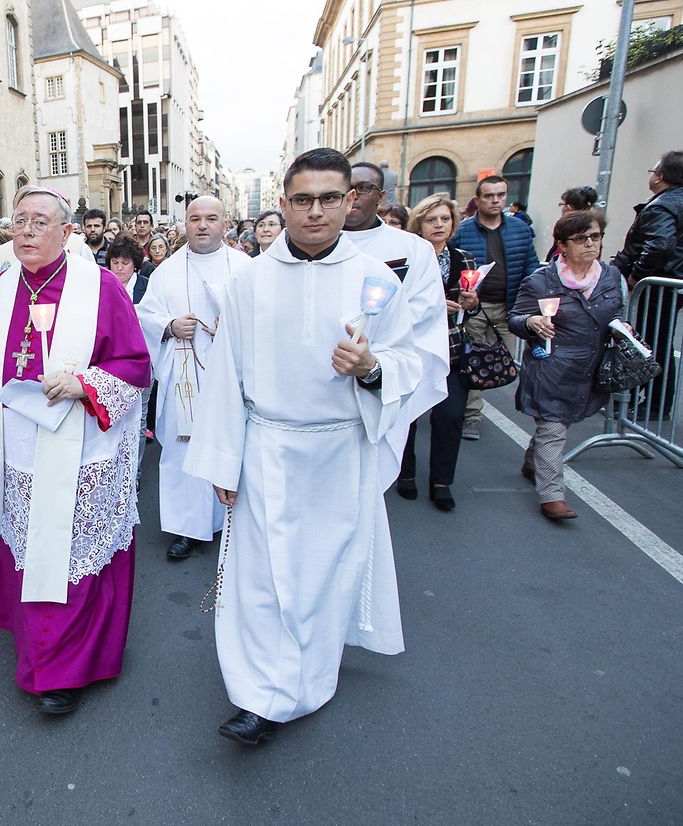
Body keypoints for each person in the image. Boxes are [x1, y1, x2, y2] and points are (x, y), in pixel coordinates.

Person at [184, 147, 421, 746]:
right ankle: (259, 695)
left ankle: (307, 682)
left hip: (340, 451)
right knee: (260, 579)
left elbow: (414, 361)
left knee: (321, 575)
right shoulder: (250, 279)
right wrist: (220, 459)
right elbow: (225, 375)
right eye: (302, 200)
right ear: (283, 205)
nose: (315, 211)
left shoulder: (376, 280)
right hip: (266, 446)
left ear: (350, 202)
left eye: (329, 199)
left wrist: (371, 368)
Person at [0, 185, 151, 715]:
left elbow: (135, 367)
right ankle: (39, 646)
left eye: (39, 222)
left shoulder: (101, 287)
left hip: (80, 448)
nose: (25, 231)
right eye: (19, 222)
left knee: (66, 552)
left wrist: (84, 384)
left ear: (67, 233)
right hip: (16, 451)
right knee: (31, 546)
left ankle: (60, 668)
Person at [136, 196, 250, 560]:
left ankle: (231, 521)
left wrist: (233, 330)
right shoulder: (167, 271)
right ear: (185, 224)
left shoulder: (246, 268)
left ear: (225, 223)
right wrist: (169, 326)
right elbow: (145, 317)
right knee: (183, 451)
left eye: (211, 218)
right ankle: (188, 527)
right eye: (195, 219)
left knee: (229, 445)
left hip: (232, 378)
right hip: (183, 379)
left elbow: (265, 320)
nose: (202, 225)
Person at [511, 211, 625, 520]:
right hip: (552, 366)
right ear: (562, 245)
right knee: (553, 425)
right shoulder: (541, 280)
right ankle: (551, 496)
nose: (590, 244)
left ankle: (533, 462)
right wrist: (531, 321)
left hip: (589, 367)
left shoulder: (611, 276)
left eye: (596, 237)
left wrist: (623, 330)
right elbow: (515, 318)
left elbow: (618, 311)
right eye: (581, 239)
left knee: (560, 423)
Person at [343, 162, 450, 487]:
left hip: (381, 368)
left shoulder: (410, 249)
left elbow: (423, 307)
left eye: (362, 188)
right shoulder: (310, 244)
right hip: (326, 372)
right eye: (345, 189)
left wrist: (370, 342)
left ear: (382, 197)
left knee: (369, 477)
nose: (353, 197)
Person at [397, 194, 479, 510]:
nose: (439, 225)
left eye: (445, 219)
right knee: (407, 414)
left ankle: (442, 481)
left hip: (451, 347)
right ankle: (405, 473)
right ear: (419, 224)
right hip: (413, 345)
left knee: (450, 416)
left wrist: (472, 304)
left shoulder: (464, 259)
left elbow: (472, 305)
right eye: (432, 219)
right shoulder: (409, 258)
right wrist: (429, 307)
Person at [451, 175, 540, 440]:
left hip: (509, 305)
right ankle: (472, 416)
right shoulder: (463, 231)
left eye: (500, 195)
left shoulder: (519, 229)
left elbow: (530, 266)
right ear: (478, 199)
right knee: (475, 361)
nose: (495, 200)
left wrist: (530, 302)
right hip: (476, 306)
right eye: (489, 196)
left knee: (502, 361)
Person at [613, 150, 683, 417]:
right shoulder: (676, 202)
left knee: (649, 342)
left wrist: (637, 275)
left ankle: (653, 403)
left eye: (654, 170)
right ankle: (645, 399)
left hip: (660, 285)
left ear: (661, 176)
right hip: (673, 283)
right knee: (656, 341)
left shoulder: (663, 205)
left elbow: (659, 245)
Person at [105, 234, 152, 480]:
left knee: (140, 420)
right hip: (111, 362)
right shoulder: (102, 286)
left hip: (141, 361)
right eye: (115, 262)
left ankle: (134, 472)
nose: (120, 268)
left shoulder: (146, 286)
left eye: (125, 262)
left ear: (135, 263)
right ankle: (115, 472)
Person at [546, 187, 599, 262]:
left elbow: (561, 257)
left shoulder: (567, 229)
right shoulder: (595, 227)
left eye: (562, 205)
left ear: (568, 208)